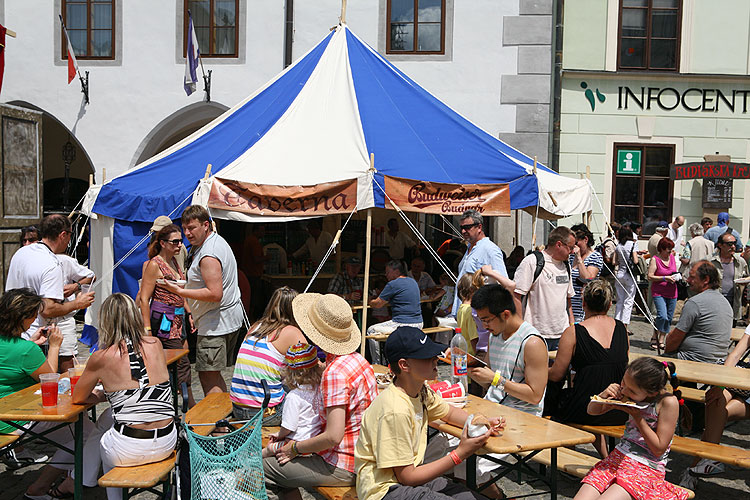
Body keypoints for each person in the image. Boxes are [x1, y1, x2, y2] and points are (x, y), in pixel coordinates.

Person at [354, 326, 503, 500]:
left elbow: (448, 413)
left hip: (408, 479)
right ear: (404, 365)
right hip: (384, 490)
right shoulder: (395, 410)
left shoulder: (420, 390)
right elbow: (407, 477)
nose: (435, 359)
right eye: (426, 357)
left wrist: (480, 422)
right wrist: (460, 453)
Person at [263, 293, 377, 500]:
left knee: (260, 469)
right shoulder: (359, 360)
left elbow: (333, 436)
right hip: (365, 455)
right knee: (280, 468)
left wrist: (295, 449)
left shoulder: (335, 373)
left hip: (344, 464)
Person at [72, 294, 177, 500]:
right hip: (167, 441)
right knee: (105, 421)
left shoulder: (101, 357)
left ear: (105, 321)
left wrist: (106, 394)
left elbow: (78, 397)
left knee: (105, 437)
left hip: (129, 448)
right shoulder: (155, 344)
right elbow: (142, 387)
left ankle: (87, 482)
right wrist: (115, 394)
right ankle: (83, 477)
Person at [0, 288, 100, 498]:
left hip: (6, 412)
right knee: (86, 435)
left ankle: (70, 477)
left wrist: (30, 344)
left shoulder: (22, 348)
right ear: (25, 317)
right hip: (16, 420)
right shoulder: (26, 351)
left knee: (85, 430)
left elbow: (11, 360)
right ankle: (42, 487)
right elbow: (49, 380)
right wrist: (54, 346)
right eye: (34, 315)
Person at [574, 357, 688, 500]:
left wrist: (638, 417)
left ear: (651, 392)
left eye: (632, 391)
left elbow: (659, 448)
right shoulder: (628, 390)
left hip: (646, 467)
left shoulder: (667, 402)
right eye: (623, 382)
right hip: (617, 458)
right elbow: (592, 411)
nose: (625, 391)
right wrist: (604, 396)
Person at [164, 205, 244, 395]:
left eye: (191, 228)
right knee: (213, 375)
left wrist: (179, 291)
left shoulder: (209, 254)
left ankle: (220, 424)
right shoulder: (214, 242)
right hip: (221, 319)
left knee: (208, 376)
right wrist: (193, 310)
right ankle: (223, 419)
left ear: (206, 225)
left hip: (216, 324)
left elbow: (215, 293)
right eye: (184, 228)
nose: (187, 233)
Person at [548, 280, 629, 458]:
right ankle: (605, 455)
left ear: (583, 303)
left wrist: (539, 370)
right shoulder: (622, 329)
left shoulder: (574, 332)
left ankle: (566, 455)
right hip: (618, 408)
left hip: (587, 408)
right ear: (609, 305)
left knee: (558, 400)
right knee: (584, 393)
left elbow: (556, 375)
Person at [678, 325, 750, 489]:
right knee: (715, 399)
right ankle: (707, 460)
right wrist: (719, 385)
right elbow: (735, 354)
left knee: (716, 416)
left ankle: (695, 468)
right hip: (741, 382)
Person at [5, 214, 95, 340]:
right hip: (35, 336)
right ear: (63, 234)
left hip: (11, 333)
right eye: (70, 234)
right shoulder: (52, 264)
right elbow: (48, 309)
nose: (70, 240)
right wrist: (77, 303)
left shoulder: (20, 253)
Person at [137, 223, 194, 407]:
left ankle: (178, 401)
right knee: (179, 361)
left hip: (177, 319)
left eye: (180, 241)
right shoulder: (154, 265)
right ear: (163, 243)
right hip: (163, 321)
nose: (179, 245)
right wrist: (147, 330)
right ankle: (185, 404)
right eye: (175, 242)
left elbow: (179, 291)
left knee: (177, 360)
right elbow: (144, 298)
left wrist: (188, 311)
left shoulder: (175, 261)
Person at [231, 286, 306, 425]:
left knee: (285, 386)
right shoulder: (291, 332)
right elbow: (309, 370)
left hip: (238, 409)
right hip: (266, 413)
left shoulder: (256, 327)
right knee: (307, 396)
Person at [470, 284, 548, 415]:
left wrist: (495, 380)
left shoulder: (532, 342)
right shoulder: (494, 335)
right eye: (481, 320)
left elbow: (535, 396)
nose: (484, 326)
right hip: (493, 410)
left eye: (487, 320)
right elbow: (490, 384)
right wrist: (465, 367)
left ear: (505, 314)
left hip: (522, 417)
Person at [513, 226, 575, 351]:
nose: (573, 251)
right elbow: (516, 295)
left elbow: (568, 301)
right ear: (559, 244)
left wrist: (572, 326)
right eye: (571, 247)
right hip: (536, 334)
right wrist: (521, 328)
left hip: (562, 334)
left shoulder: (566, 265)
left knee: (561, 371)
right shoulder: (532, 262)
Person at [664, 261, 733, 363]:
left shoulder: (695, 303)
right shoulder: (725, 302)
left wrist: (665, 355)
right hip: (718, 360)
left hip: (692, 359)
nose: (688, 280)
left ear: (706, 279)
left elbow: (674, 339)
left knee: (644, 369)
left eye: (692, 277)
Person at [264, 342, 323, 458]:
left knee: (269, 449)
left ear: (290, 373)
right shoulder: (319, 388)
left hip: (297, 444)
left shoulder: (293, 397)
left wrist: (279, 434)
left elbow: (288, 427)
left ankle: (247, 464)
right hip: (316, 441)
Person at [452, 210, 507, 315]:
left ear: (479, 227)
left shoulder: (490, 249)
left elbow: (502, 283)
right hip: (464, 312)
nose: (463, 231)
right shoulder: (469, 248)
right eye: (462, 228)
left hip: (477, 315)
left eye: (467, 227)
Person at [55, 253, 95, 372]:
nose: (28, 244)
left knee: (67, 365)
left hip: (64, 319)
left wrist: (75, 286)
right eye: (25, 241)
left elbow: (91, 276)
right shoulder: (26, 260)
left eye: (31, 240)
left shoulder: (64, 260)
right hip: (37, 321)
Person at [366, 260, 423, 337]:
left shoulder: (393, 284)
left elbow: (378, 304)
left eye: (388, 272)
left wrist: (370, 301)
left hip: (402, 323)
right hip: (419, 323)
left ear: (396, 271)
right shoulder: (412, 281)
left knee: (371, 330)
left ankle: (380, 349)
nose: (386, 275)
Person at [710, 231, 750, 324]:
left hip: (734, 301)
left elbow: (746, 277)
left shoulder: (740, 262)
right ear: (720, 245)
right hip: (716, 301)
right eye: (729, 244)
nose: (733, 247)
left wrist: (745, 281)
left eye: (734, 243)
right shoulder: (711, 262)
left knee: (732, 328)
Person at [648, 237, 678, 352]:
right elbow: (650, 276)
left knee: (669, 318)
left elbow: (674, 271)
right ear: (661, 249)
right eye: (668, 249)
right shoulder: (655, 259)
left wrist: (676, 276)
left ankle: (661, 339)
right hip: (659, 292)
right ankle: (654, 336)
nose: (670, 251)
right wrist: (664, 278)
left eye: (671, 249)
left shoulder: (672, 258)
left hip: (672, 292)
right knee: (662, 316)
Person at [569, 226, 604, 322]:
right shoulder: (570, 257)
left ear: (585, 240)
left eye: (576, 243)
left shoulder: (595, 256)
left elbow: (587, 278)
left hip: (583, 309)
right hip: (569, 307)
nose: (574, 247)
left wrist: (579, 258)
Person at [614, 226, 639, 332]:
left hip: (619, 274)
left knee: (620, 300)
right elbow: (636, 261)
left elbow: (614, 262)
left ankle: (617, 323)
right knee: (628, 301)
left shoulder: (618, 246)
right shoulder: (632, 245)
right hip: (629, 275)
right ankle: (624, 326)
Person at [455, 273, 479, 356]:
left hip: (464, 352)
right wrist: (478, 357)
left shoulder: (461, 308)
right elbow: (474, 337)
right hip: (472, 353)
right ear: (472, 290)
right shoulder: (470, 311)